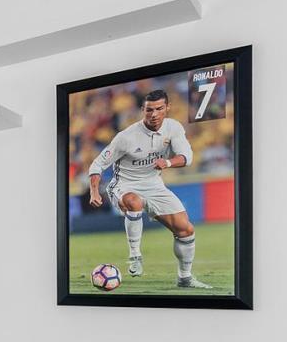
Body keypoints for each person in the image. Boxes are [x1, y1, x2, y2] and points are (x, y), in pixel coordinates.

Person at [86, 88, 211, 288]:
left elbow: (187, 157)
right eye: (149, 110)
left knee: (185, 229)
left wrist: (168, 163)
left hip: (154, 185)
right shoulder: (126, 137)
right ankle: (135, 255)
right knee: (134, 202)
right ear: (142, 110)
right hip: (124, 184)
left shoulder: (173, 128)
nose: (154, 114)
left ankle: (185, 278)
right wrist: (94, 191)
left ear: (168, 108)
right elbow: (97, 164)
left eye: (159, 109)